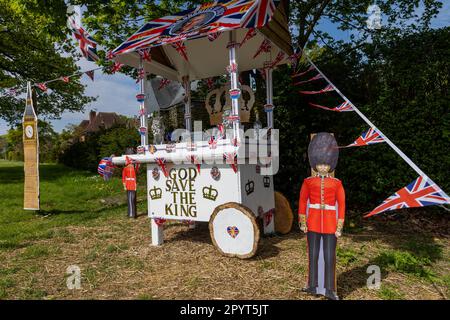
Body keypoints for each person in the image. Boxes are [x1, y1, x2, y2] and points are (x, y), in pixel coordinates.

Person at [298, 133, 345, 300]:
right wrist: (303, 222)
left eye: (326, 164)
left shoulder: (337, 183)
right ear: (315, 164)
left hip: (331, 224)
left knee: (329, 256)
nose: (323, 167)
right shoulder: (308, 182)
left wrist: (339, 227)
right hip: (313, 223)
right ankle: (312, 285)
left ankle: (330, 289)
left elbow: (342, 205)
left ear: (330, 164)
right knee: (313, 254)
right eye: (320, 164)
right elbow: (303, 203)